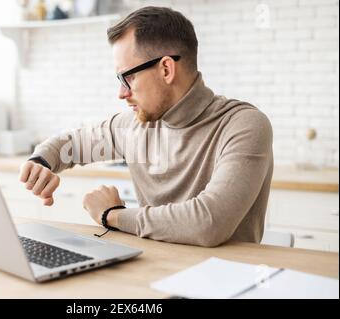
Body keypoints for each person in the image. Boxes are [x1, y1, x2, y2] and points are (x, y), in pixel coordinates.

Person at [19, 6, 274, 247]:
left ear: (166, 69)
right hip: (154, 270)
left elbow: (209, 223)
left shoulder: (244, 125)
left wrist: (113, 214)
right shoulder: (136, 126)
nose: (121, 93)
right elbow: (72, 144)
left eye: (127, 77)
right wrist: (41, 162)